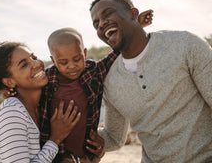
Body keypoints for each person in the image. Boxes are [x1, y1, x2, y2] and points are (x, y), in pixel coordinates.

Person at [89, 0, 212, 163]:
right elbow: (113, 138)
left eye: (107, 13)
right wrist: (82, 137)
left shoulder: (185, 45)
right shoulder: (110, 82)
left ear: (133, 14)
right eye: (96, 24)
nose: (101, 24)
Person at [39, 10, 152, 163]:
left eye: (77, 59)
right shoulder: (46, 80)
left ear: (84, 53)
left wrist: (135, 27)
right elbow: (23, 88)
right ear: (53, 60)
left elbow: (116, 54)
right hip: (54, 153)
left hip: (85, 152)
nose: (72, 66)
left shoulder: (92, 72)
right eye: (63, 62)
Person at [0, 42, 81, 163]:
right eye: (24, 65)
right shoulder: (11, 113)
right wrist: (55, 139)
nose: (37, 64)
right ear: (9, 82)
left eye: (34, 57)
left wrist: (99, 139)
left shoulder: (43, 104)